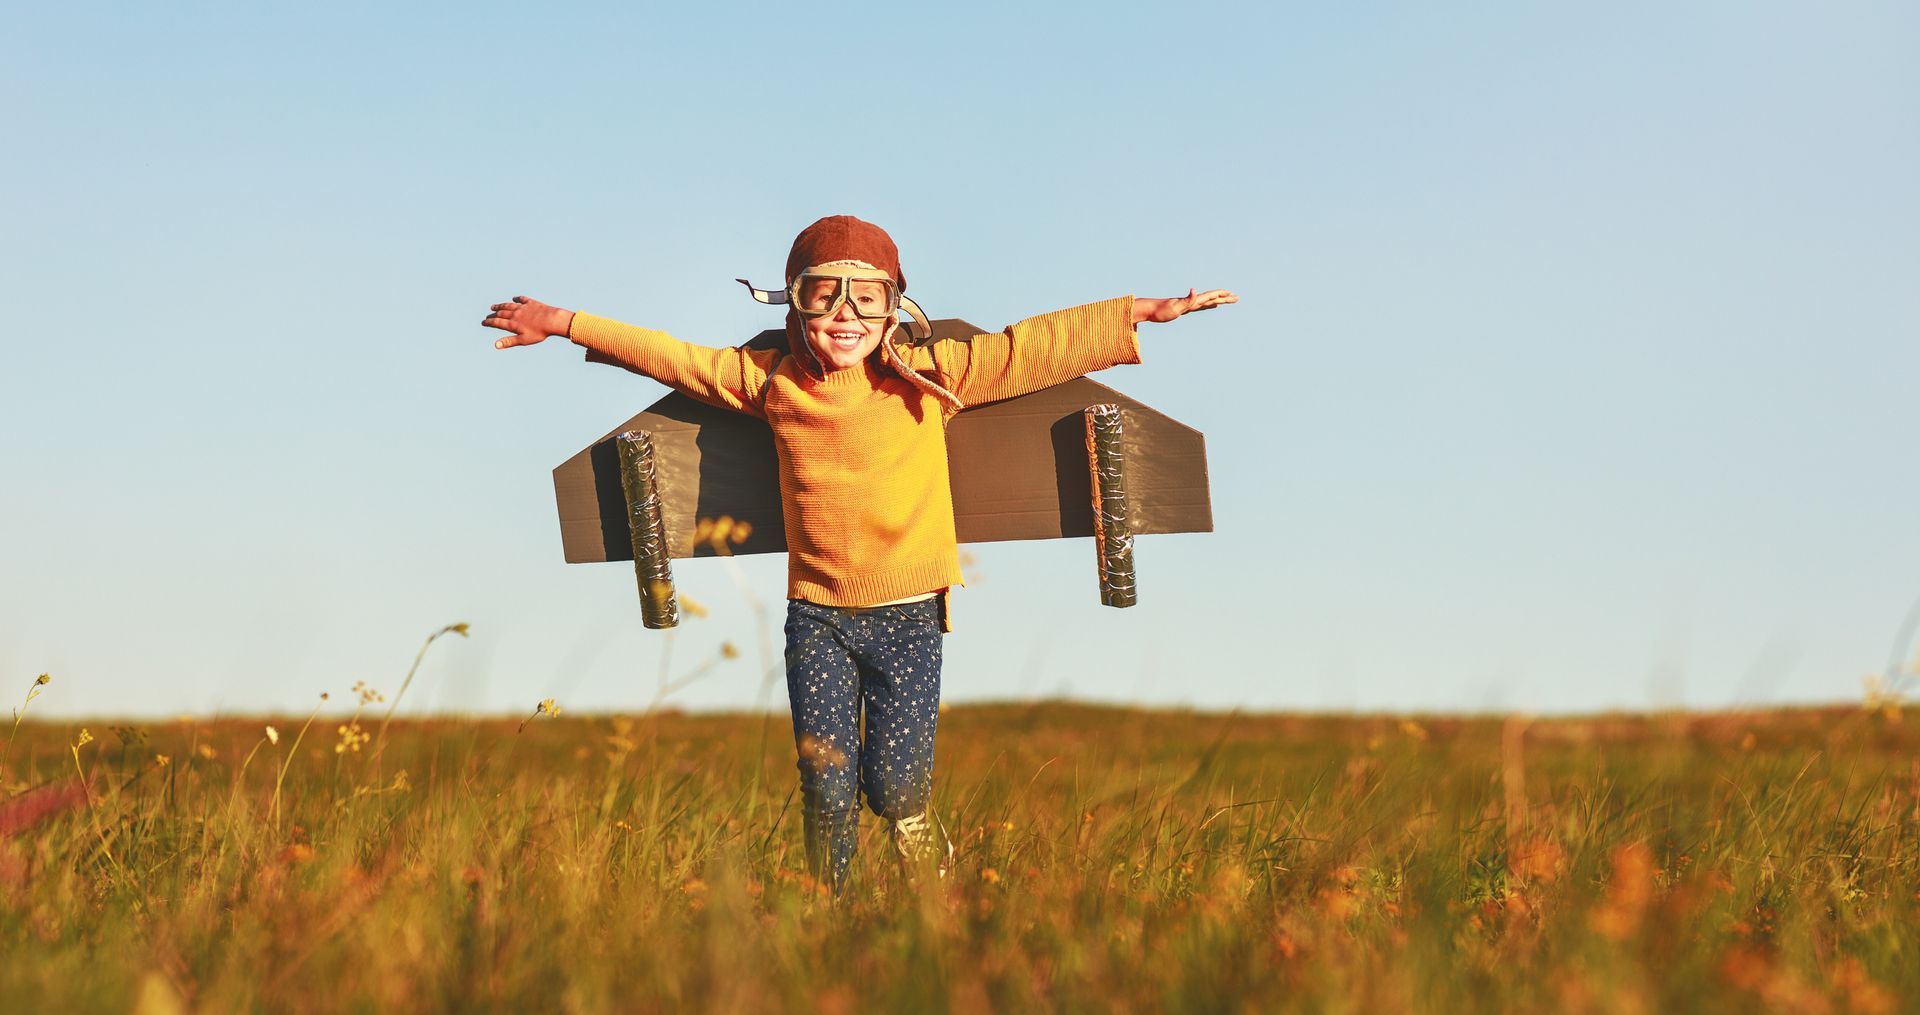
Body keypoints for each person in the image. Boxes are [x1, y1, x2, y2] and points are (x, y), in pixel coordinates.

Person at [484, 215, 1235, 893]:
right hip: (816, 617)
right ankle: (826, 908)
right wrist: (561, 321)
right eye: (824, 298)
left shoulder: (933, 375)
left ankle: (933, 884)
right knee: (826, 780)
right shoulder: (770, 382)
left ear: (893, 310)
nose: (844, 317)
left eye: (865, 300)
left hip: (908, 615)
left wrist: (1143, 312)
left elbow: (1029, 346)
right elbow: (671, 358)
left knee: (896, 785)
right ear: (795, 307)